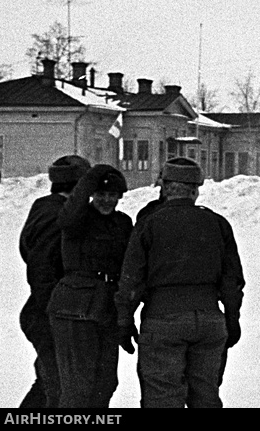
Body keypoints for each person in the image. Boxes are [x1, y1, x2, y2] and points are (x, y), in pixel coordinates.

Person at [116, 157, 245, 408]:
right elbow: (233, 280)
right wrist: (231, 318)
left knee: (162, 398)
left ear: (164, 187)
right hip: (209, 320)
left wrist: (124, 319)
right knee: (206, 397)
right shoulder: (216, 223)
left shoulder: (149, 223)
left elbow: (132, 279)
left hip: (163, 320)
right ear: (195, 189)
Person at [48, 163, 132, 408]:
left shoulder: (123, 223)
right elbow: (69, 214)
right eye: (101, 194)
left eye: (112, 195)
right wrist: (91, 176)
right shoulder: (77, 219)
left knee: (105, 383)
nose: (107, 200)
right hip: (74, 309)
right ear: (92, 194)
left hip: (107, 310)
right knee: (78, 389)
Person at [17, 154, 91, 408]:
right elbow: (43, 268)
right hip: (49, 312)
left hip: (43, 310)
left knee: (50, 382)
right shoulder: (57, 215)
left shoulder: (42, 208)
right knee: (57, 387)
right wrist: (54, 309)